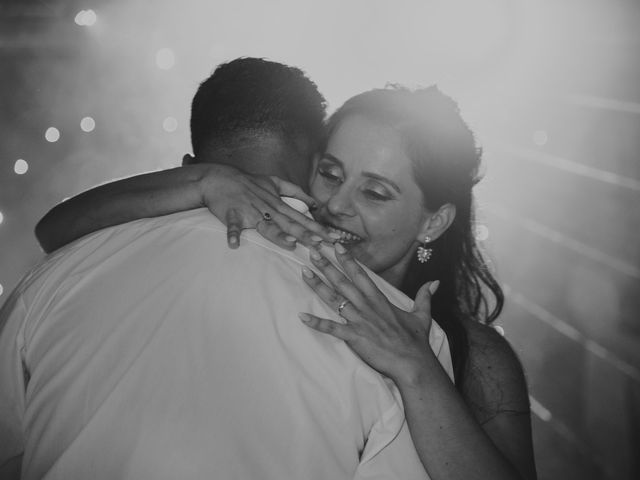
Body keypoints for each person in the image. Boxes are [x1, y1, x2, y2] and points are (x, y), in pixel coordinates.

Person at [33, 81, 538, 479]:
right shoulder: (275, 272)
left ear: (433, 222)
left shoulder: (476, 355)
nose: (337, 206)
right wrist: (207, 180)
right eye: (332, 174)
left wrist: (417, 368)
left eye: (376, 193)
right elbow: (55, 229)